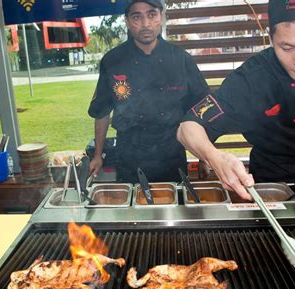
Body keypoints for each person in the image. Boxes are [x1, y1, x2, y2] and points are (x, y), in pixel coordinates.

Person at [177, 0, 295, 200]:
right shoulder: (251, 77)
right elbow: (187, 128)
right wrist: (216, 158)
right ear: (270, 37)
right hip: (268, 175)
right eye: (286, 47)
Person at [88, 0, 209, 183]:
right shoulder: (112, 61)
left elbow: (202, 109)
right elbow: (102, 113)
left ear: (161, 17)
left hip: (171, 154)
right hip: (129, 156)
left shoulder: (182, 60)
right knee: (132, 209)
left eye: (151, 15)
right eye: (137, 17)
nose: (145, 24)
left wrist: (204, 156)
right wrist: (97, 156)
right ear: (127, 22)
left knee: (173, 209)